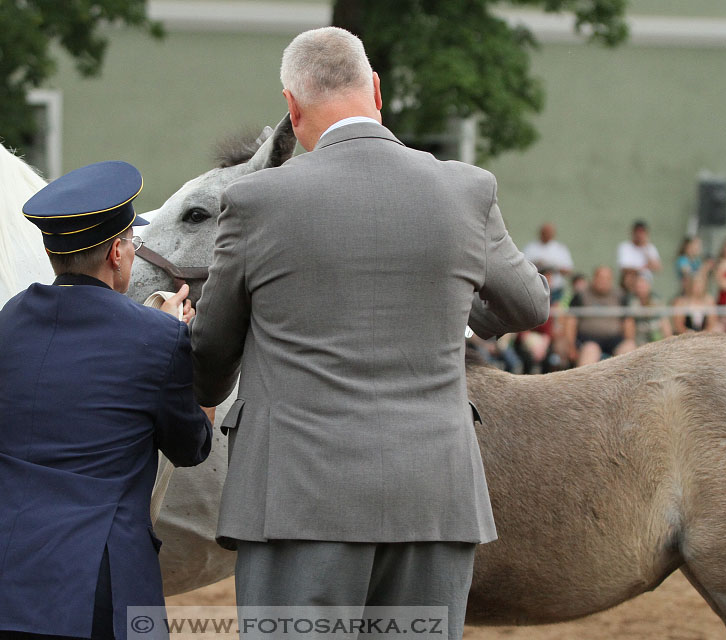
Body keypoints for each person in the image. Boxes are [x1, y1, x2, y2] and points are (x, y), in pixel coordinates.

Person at [190, 27, 549, 637]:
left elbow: (212, 356)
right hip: (434, 496)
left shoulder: (255, 201)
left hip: (297, 500)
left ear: (292, 106)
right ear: (376, 90)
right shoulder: (467, 189)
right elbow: (528, 305)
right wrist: (458, 315)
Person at [0, 161, 213, 640]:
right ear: (115, 251)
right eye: (131, 242)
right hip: (95, 585)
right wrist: (183, 345)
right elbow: (191, 448)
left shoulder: (11, 320)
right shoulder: (157, 337)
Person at [565, 265, 634, 366]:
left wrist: (629, 339)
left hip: (615, 339)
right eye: (601, 278)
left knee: (629, 348)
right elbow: (571, 322)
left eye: (607, 278)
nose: (603, 281)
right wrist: (571, 347)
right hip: (589, 339)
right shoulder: (581, 295)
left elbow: (628, 321)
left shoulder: (620, 296)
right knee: (590, 352)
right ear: (594, 278)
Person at [523, 222, 574, 302]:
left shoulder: (560, 249)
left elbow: (568, 270)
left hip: (556, 290)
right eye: (545, 232)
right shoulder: (531, 248)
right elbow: (523, 267)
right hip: (535, 289)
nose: (547, 234)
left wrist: (554, 267)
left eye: (550, 232)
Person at [622, 274, 672, 346]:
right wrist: (631, 341)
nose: (640, 287)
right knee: (628, 345)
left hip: (656, 336)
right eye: (638, 285)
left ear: (649, 285)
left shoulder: (657, 300)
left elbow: (665, 322)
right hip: (639, 338)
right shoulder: (630, 301)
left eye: (643, 284)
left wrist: (668, 339)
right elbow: (629, 324)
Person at [617, 220, 661, 287]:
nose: (639, 235)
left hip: (646, 281)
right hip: (631, 279)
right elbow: (624, 268)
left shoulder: (650, 248)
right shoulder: (625, 246)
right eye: (637, 231)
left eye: (642, 232)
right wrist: (641, 269)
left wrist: (645, 248)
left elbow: (657, 267)